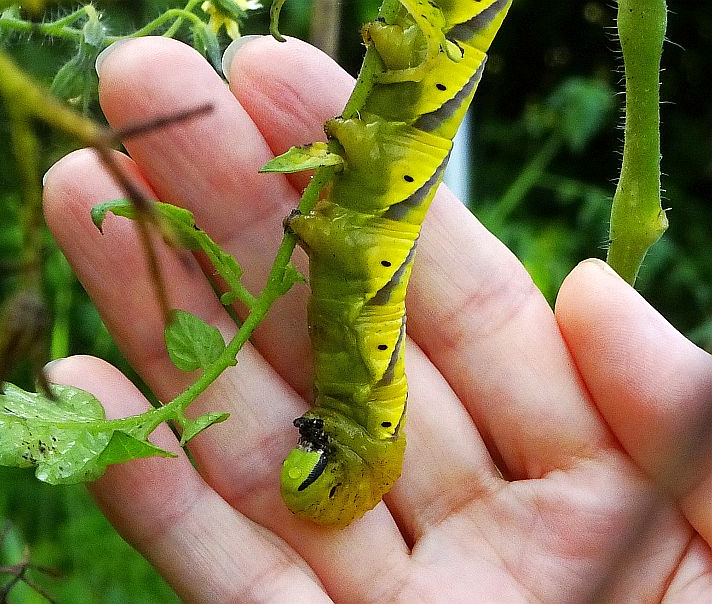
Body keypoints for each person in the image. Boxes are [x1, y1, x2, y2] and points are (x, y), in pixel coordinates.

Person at [42, 35, 712, 602]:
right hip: (420, 97)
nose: (305, 437)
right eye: (318, 454)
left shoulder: (360, 386)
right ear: (351, 449)